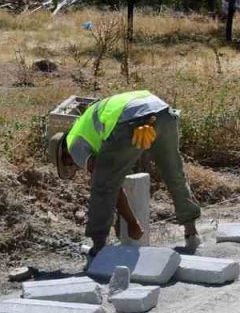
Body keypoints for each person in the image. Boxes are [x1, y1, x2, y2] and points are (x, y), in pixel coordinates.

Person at [48, 90, 201, 258]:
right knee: (173, 171)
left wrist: (132, 223)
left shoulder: (73, 145)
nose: (75, 166)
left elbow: (109, 183)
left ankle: (98, 248)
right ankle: (191, 233)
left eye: (69, 164)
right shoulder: (88, 123)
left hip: (130, 122)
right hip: (163, 112)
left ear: (64, 155)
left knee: (102, 185)